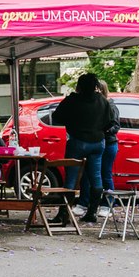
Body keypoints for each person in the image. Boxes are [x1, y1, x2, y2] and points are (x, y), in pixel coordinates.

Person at [51, 73, 110, 223]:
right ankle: (92, 212)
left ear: (79, 86)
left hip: (77, 141)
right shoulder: (103, 101)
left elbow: (57, 118)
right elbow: (109, 122)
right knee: (96, 177)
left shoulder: (72, 100)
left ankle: (64, 214)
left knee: (71, 179)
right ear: (95, 86)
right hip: (98, 142)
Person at [98, 79, 121, 218]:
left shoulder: (111, 106)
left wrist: (103, 131)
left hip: (108, 143)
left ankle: (107, 204)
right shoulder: (97, 105)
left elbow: (116, 126)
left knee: (106, 173)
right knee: (94, 175)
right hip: (98, 142)